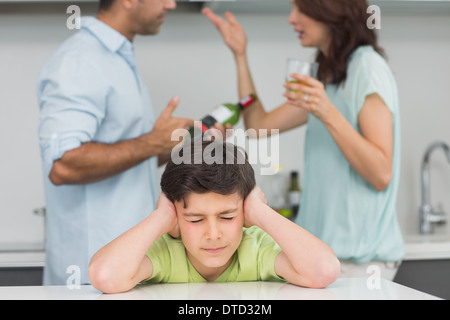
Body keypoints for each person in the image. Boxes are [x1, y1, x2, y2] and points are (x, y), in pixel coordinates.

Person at [203, 0, 405, 280]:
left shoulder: (367, 67)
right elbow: (259, 126)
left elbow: (381, 173)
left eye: (301, 9)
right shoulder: (331, 74)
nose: (292, 19)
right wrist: (240, 55)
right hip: (323, 256)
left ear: (331, 11)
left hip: (361, 263)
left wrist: (326, 111)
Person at [37, 0, 194, 285]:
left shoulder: (117, 60)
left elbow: (127, 158)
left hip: (127, 266)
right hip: (90, 273)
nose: (171, 5)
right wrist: (152, 142)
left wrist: (175, 146)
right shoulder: (80, 61)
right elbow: (63, 165)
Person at [88, 140, 340, 293]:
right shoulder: (167, 251)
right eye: (196, 220)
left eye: (228, 217)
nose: (213, 234)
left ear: (244, 211)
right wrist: (161, 216)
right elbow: (105, 276)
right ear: (175, 216)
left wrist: (260, 211)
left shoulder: (255, 246)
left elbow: (324, 270)